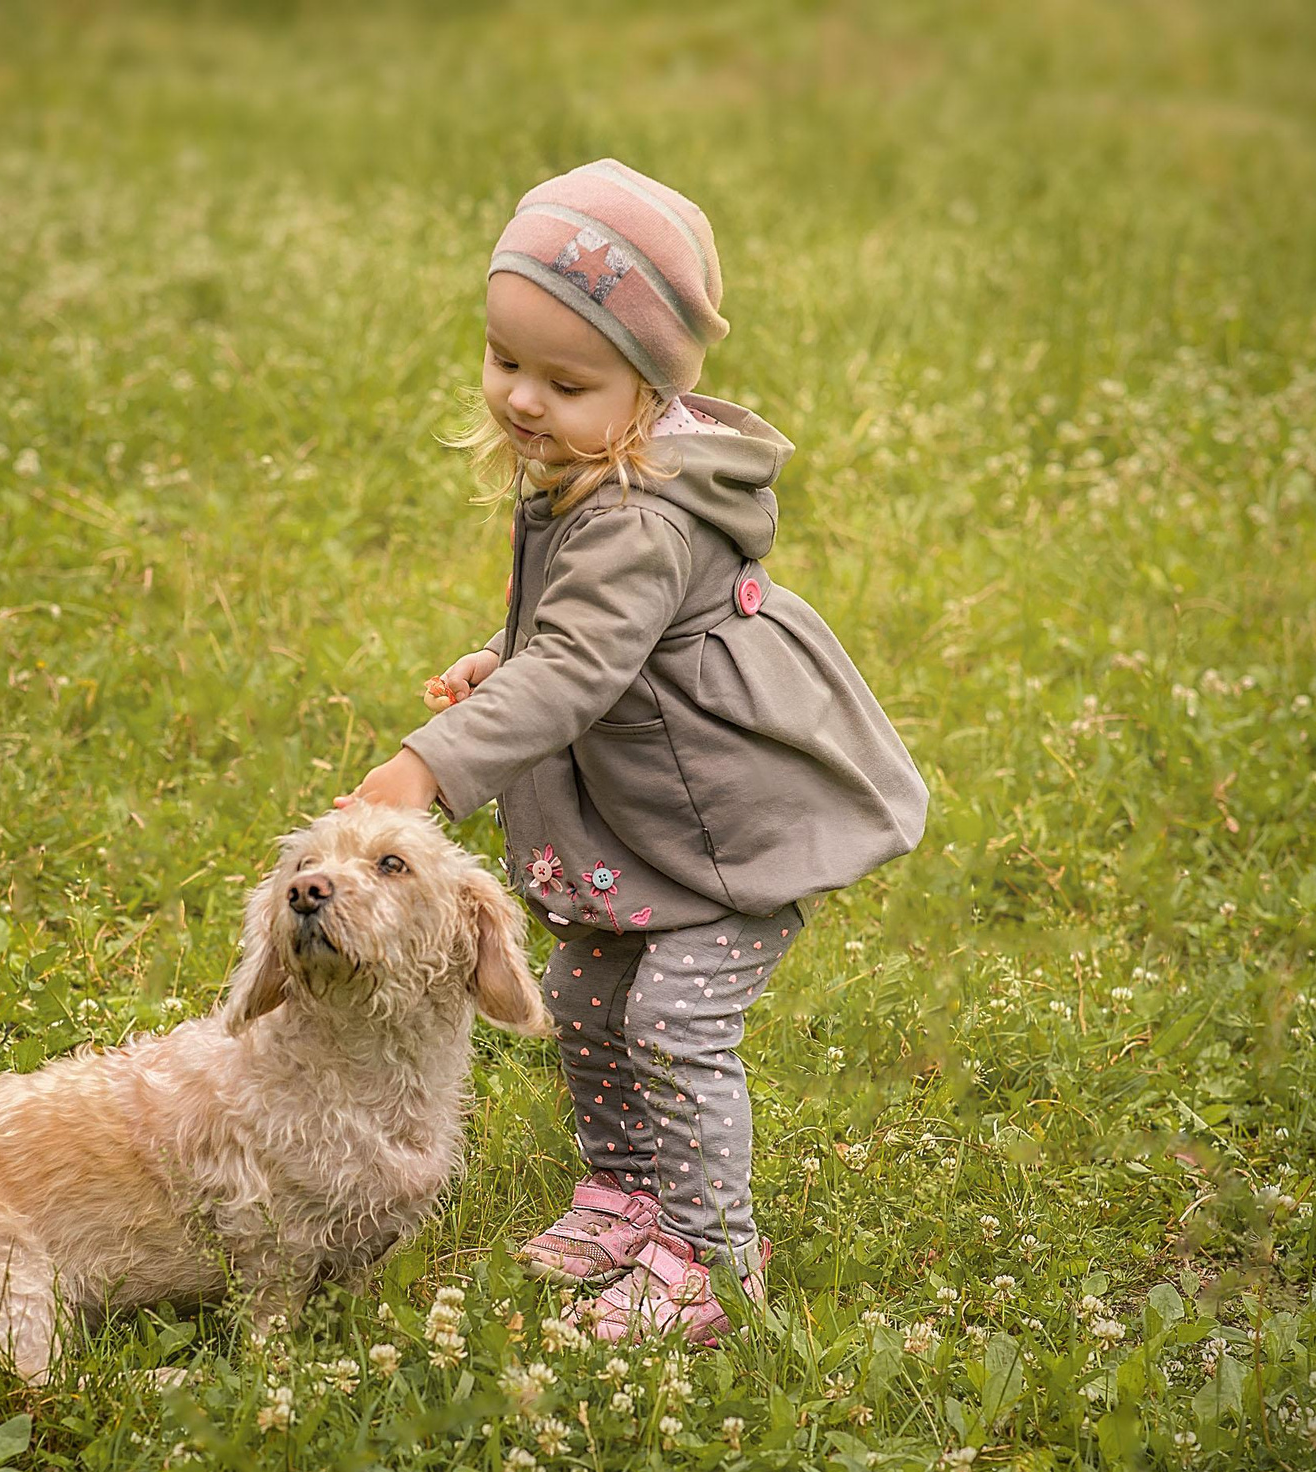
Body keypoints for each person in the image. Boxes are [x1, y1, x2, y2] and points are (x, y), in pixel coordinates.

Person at [339, 159, 927, 1345]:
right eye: (506, 362)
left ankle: (711, 1262)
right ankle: (631, 1191)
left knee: (671, 1024)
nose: (520, 400)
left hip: (728, 828)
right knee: (585, 996)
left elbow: (581, 667)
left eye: (565, 379)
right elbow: (577, 642)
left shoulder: (643, 510)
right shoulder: (586, 463)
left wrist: (437, 760)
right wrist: (499, 662)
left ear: (648, 383)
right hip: (650, 809)